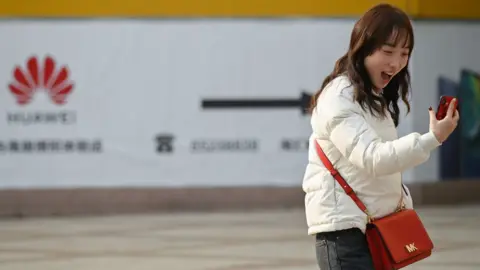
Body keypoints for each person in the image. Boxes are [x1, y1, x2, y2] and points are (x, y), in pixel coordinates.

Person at [302, 3, 459, 270]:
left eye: (404, 53)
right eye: (387, 51)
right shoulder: (340, 96)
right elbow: (374, 159)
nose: (396, 63)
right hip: (345, 237)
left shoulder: (370, 97)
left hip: (371, 230)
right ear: (363, 47)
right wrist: (432, 138)